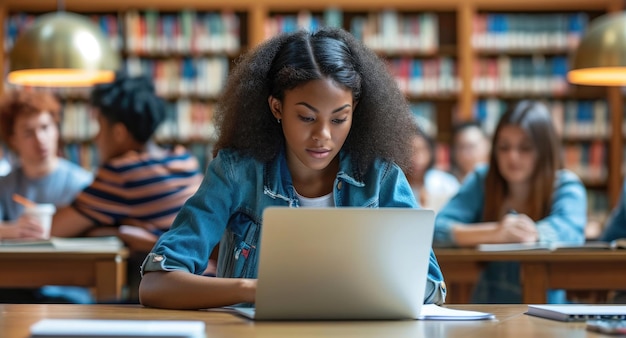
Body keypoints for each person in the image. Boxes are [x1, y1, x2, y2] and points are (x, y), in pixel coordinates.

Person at [139, 27, 447, 310]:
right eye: (307, 117)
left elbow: (432, 287)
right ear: (277, 108)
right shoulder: (236, 173)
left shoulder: (380, 178)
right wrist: (254, 289)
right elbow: (156, 284)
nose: (323, 136)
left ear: (355, 112)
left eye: (339, 119)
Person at [45, 74, 204, 301]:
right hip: (206, 277)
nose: (96, 138)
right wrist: (117, 231)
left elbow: (53, 230)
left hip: (176, 286)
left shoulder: (122, 173)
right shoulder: (182, 157)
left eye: (99, 127)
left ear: (119, 133)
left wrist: (114, 231)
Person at [434, 100, 587, 303]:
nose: (512, 157)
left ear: (544, 151)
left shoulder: (566, 185)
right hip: (488, 309)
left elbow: (570, 232)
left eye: (525, 148)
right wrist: (496, 232)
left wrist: (531, 233)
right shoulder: (483, 179)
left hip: (547, 308)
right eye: (504, 147)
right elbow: (435, 230)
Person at [0, 90, 94, 303]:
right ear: (13, 140)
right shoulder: (4, 186)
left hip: (68, 288)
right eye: (28, 132)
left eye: (45, 127)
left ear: (56, 129)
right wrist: (14, 230)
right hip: (13, 286)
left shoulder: (82, 183)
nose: (40, 139)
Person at [405, 126, 459, 212]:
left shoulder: (446, 182)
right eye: (410, 151)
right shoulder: (397, 184)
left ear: (430, 151)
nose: (417, 158)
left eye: (421, 150)